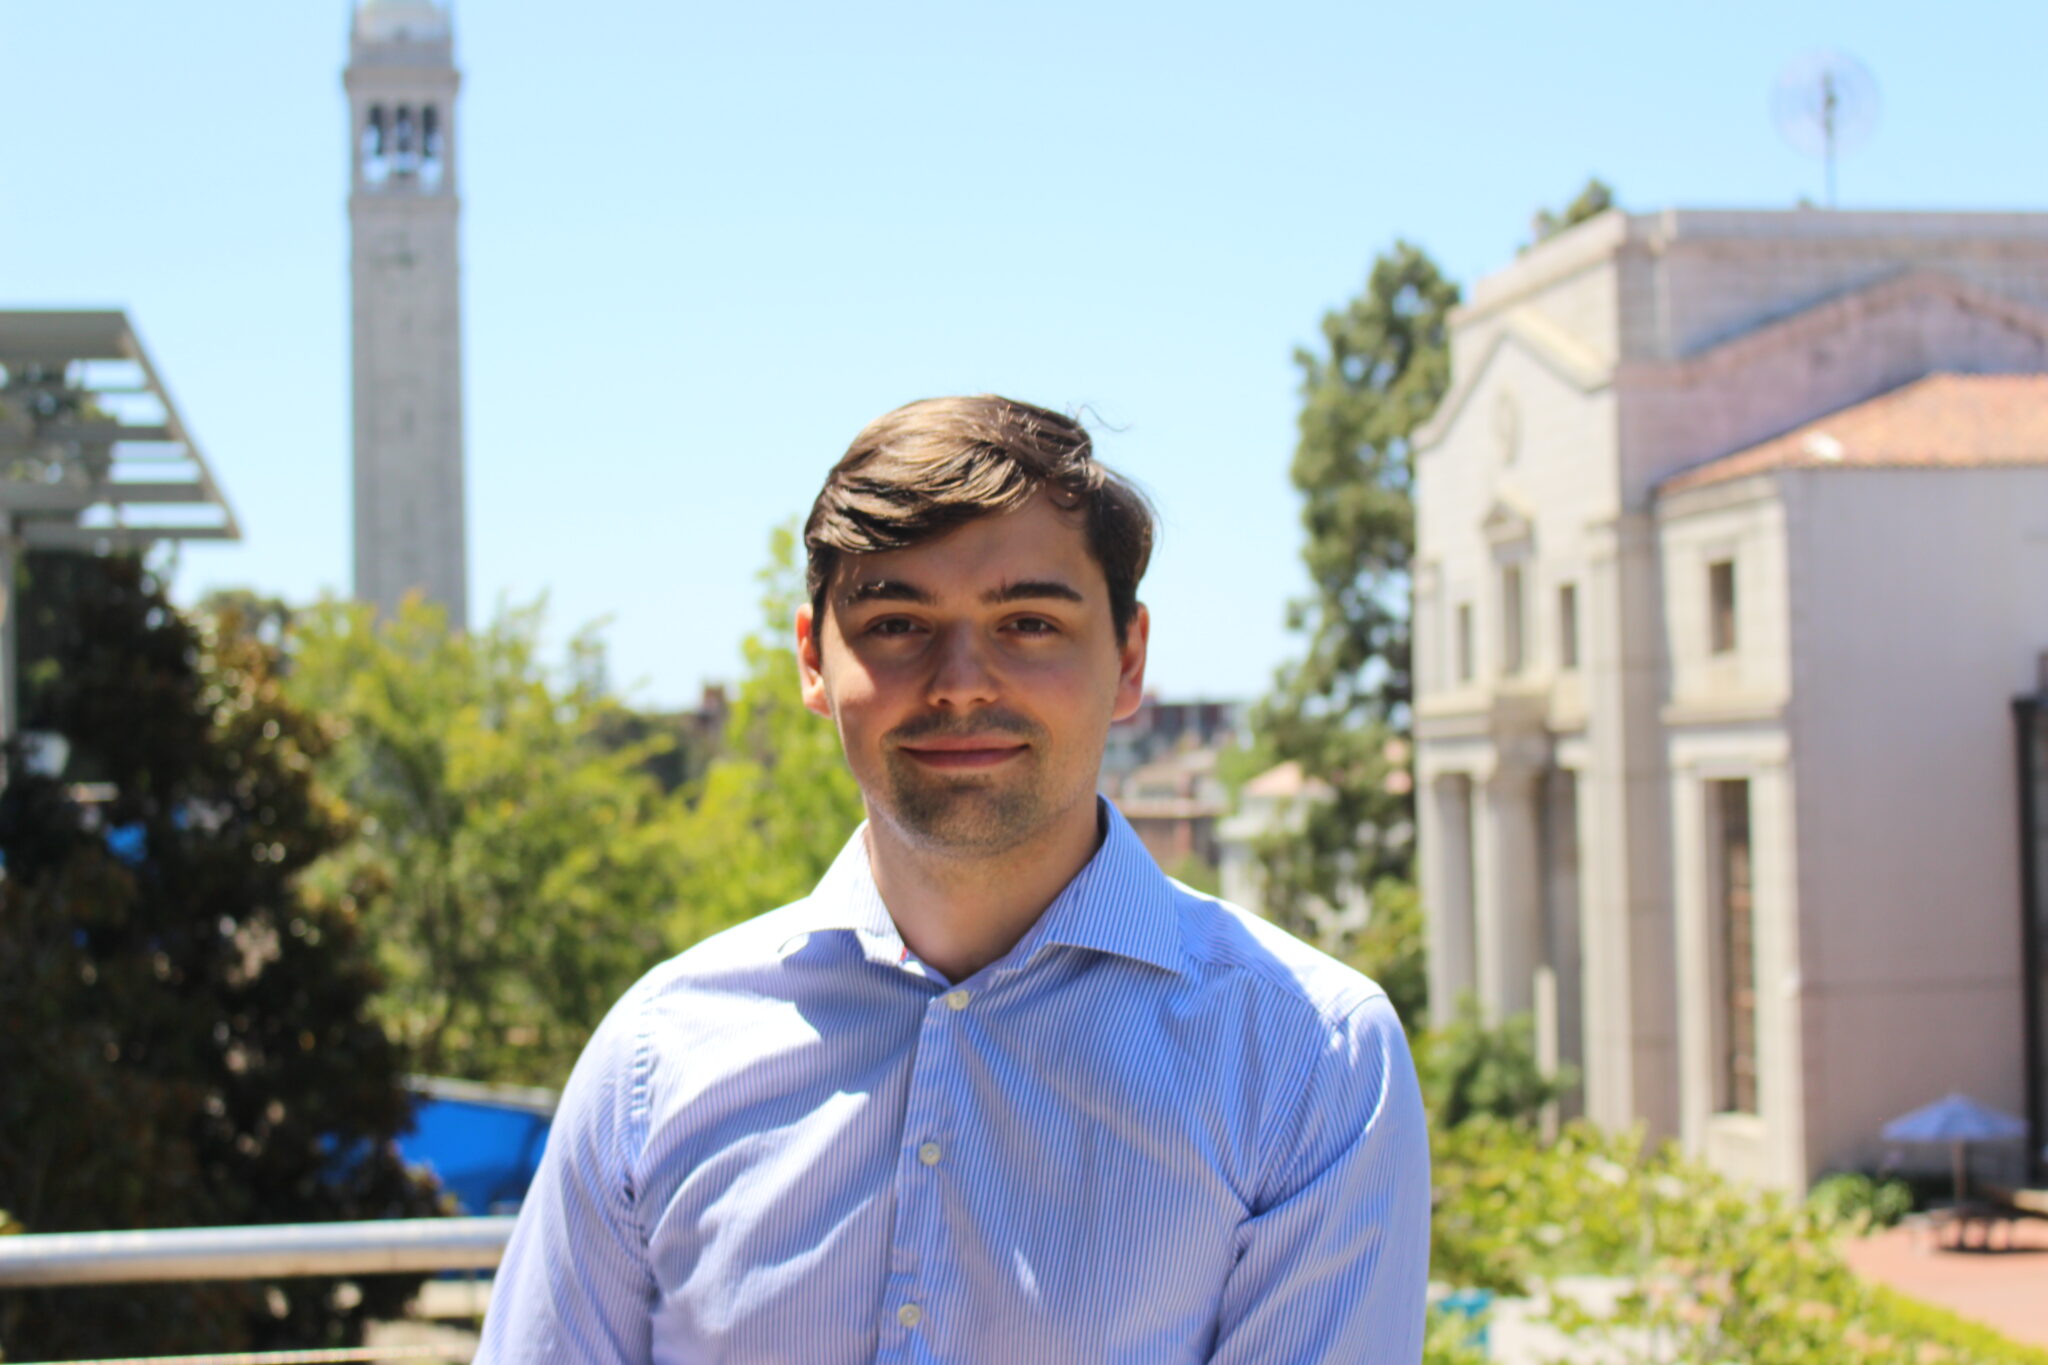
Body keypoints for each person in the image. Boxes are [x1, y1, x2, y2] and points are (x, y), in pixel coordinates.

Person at [476, 395, 1430, 1363]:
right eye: (896, 622)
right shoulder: (654, 1057)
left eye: (1027, 622)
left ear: (1129, 658)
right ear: (812, 659)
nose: (962, 680)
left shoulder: (1305, 1058)